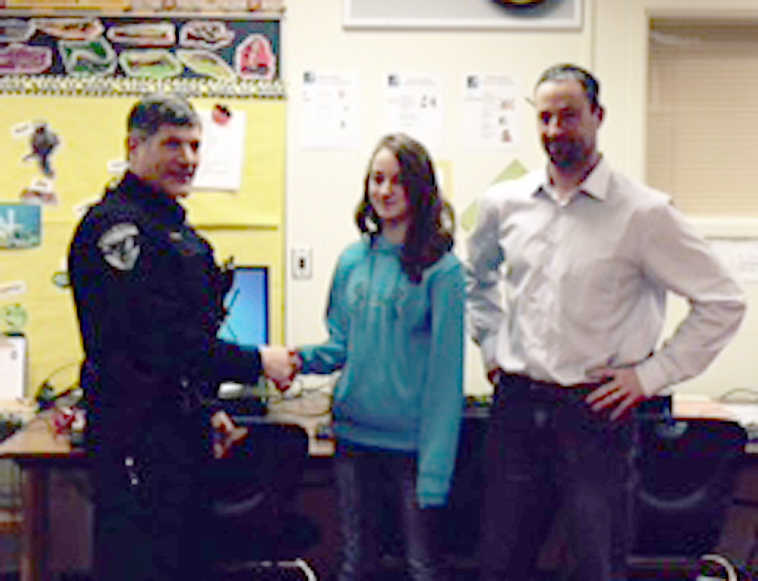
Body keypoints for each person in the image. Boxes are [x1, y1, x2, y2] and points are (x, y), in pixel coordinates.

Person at [464, 63, 746, 581]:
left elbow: (723, 301)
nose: (554, 131)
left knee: (598, 566)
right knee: (500, 564)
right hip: (517, 409)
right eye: (544, 118)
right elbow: (475, 279)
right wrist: (491, 347)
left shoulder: (645, 214)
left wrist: (651, 376)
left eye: (568, 117)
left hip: (593, 414)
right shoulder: (504, 204)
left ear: (598, 116)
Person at [67, 93, 295, 581]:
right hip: (136, 437)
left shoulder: (171, 228)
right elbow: (158, 343)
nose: (188, 159)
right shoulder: (117, 229)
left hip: (178, 434)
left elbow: (182, 346)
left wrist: (206, 406)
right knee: (141, 563)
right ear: (133, 146)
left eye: (194, 145)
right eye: (173, 144)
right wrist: (258, 361)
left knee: (188, 560)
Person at [290, 133, 465, 581]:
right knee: (354, 566)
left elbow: (447, 382)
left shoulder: (443, 270)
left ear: (420, 188)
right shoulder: (352, 259)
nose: (384, 191)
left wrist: (435, 474)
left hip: (411, 450)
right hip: (353, 440)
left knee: (422, 567)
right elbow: (338, 347)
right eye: (377, 179)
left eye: (398, 181)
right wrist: (290, 360)